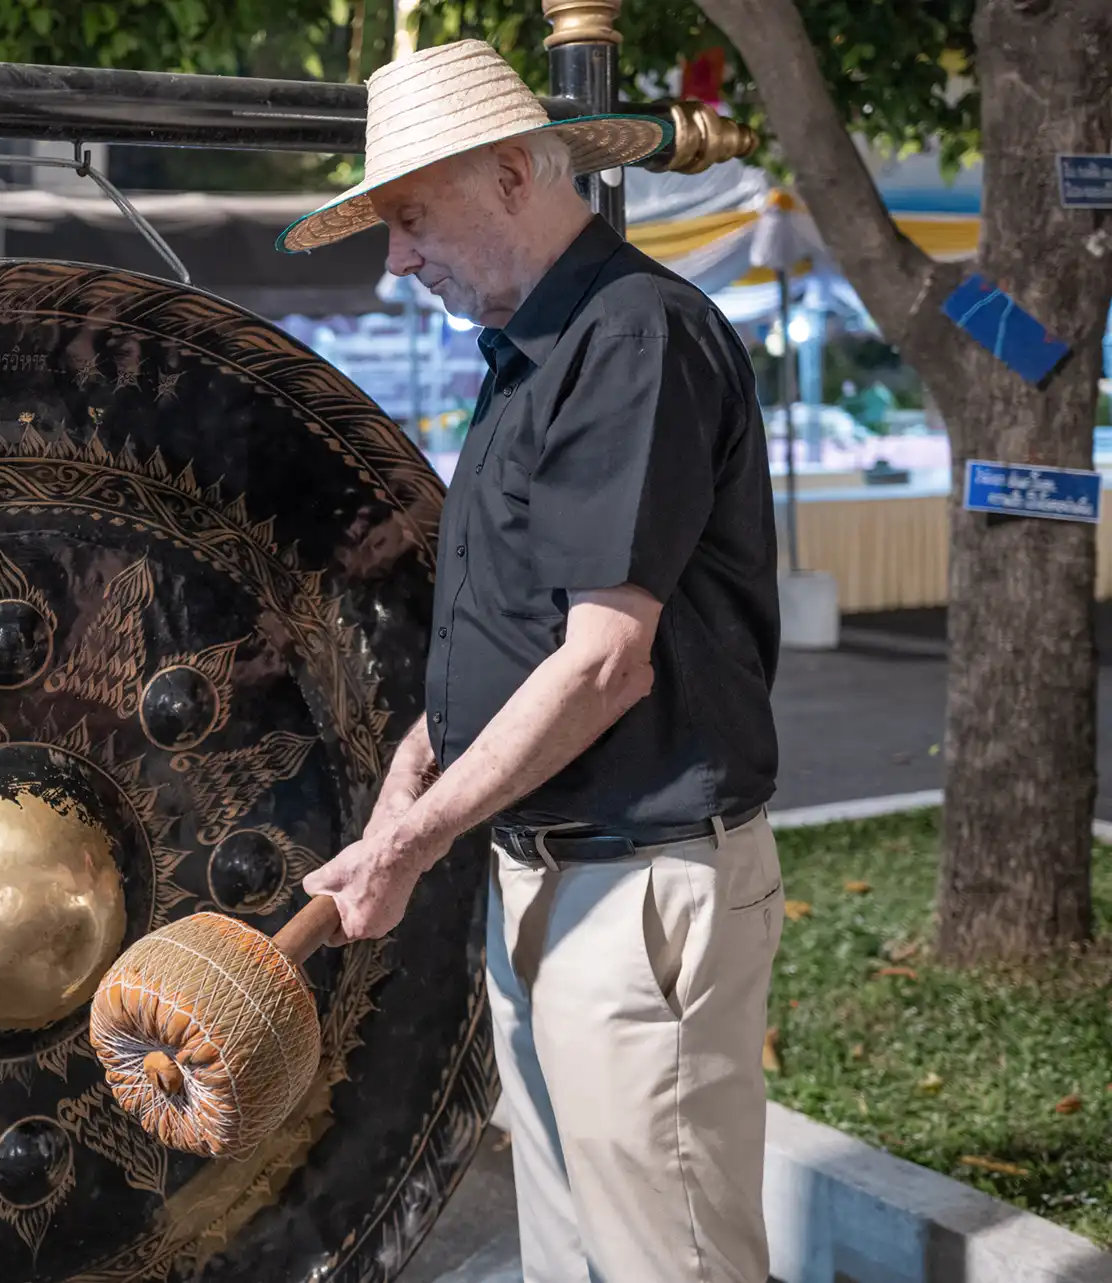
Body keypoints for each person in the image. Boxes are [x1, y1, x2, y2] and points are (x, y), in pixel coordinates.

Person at [278, 39, 784, 1283]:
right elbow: (510, 640)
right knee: (574, 1260)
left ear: (512, 173)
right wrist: (409, 782)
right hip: (551, 874)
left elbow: (606, 661)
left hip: (638, 885)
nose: (397, 258)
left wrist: (409, 844)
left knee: (671, 1264)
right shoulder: (528, 355)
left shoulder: (633, 337)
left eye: (407, 218)